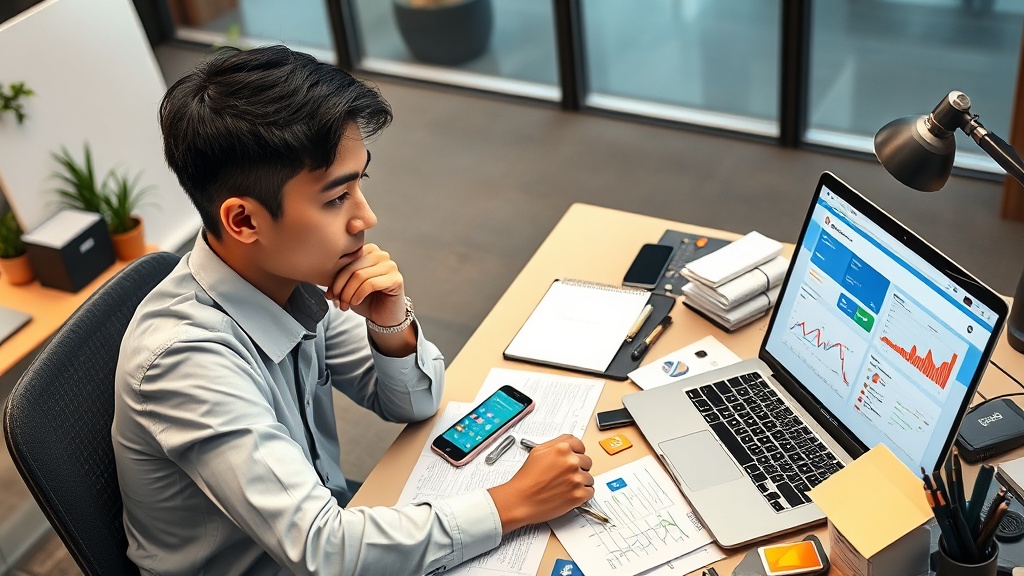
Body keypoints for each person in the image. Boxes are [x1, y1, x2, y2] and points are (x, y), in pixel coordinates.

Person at [111, 45, 595, 576]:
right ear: (244, 221)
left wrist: (389, 321)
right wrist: (512, 504)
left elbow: (414, 403)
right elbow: (326, 550)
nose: (367, 217)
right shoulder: (187, 361)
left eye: (360, 183)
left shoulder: (290, 277)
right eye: (336, 198)